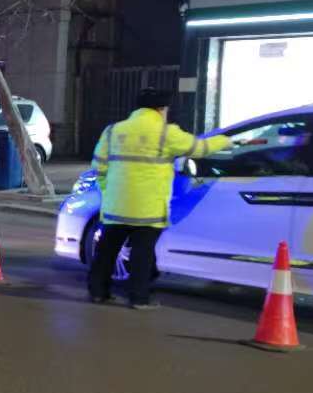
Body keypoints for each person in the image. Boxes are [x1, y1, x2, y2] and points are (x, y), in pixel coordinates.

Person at [87, 88, 230, 309]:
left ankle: (98, 292)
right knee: (142, 254)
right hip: (148, 209)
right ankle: (139, 298)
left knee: (106, 251)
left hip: (116, 206)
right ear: (162, 109)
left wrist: (109, 193)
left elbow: (99, 167)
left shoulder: (113, 131)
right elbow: (200, 148)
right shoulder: (166, 133)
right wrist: (227, 140)